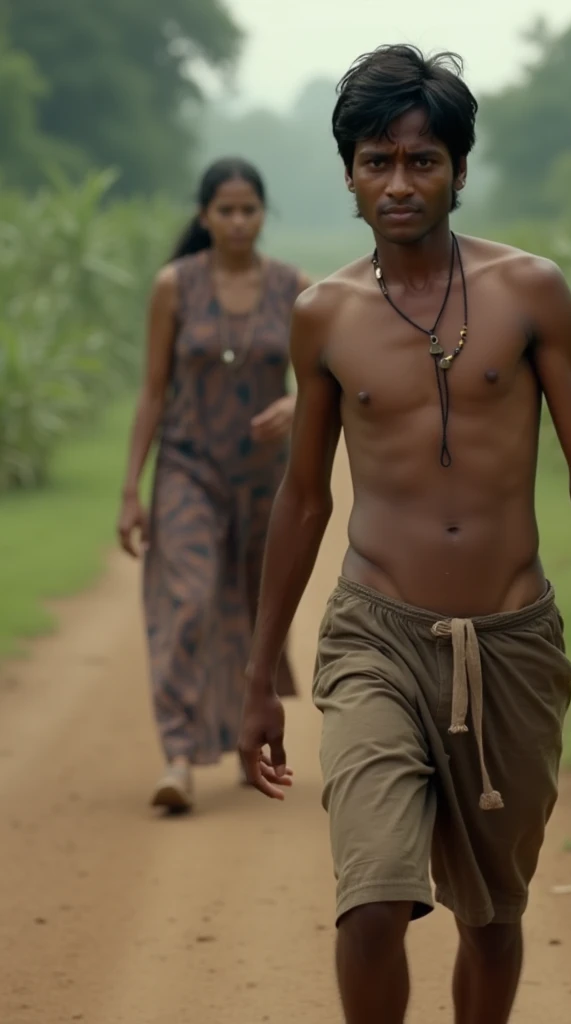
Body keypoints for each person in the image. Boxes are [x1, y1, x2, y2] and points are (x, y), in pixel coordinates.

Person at [239, 45, 571, 1024]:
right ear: (346, 171)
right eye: (376, 160)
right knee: (373, 900)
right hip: (375, 636)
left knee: (492, 915)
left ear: (459, 171)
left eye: (421, 161)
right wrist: (259, 676)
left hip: (511, 645)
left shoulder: (530, 293)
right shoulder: (323, 318)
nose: (397, 182)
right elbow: (303, 500)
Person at [117, 157, 309, 812]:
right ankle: (177, 754)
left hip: (264, 482)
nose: (236, 221)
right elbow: (151, 391)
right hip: (188, 468)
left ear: (263, 214)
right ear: (204, 217)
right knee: (192, 602)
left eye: (248, 209)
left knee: (258, 616)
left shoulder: (294, 289)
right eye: (223, 210)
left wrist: (298, 405)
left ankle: (244, 739)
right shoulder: (175, 286)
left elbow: (328, 378)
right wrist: (129, 491)